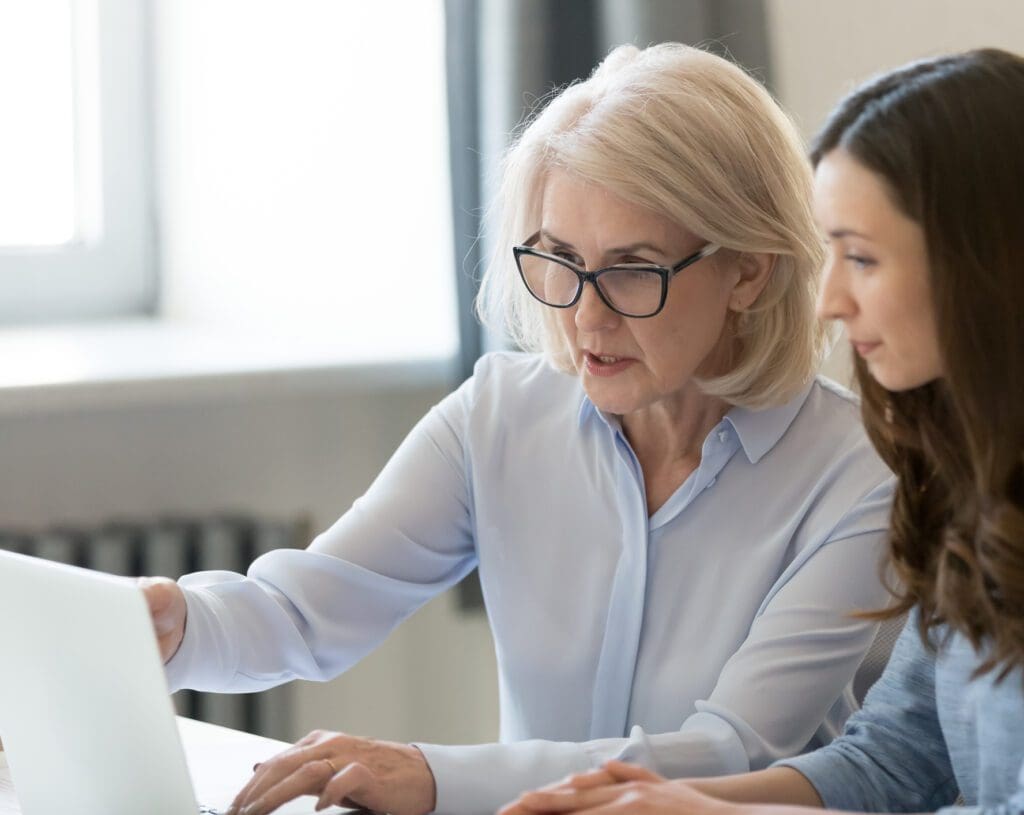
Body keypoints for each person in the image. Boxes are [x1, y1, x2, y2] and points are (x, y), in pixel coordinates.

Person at [142, 43, 893, 815]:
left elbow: (730, 750)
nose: (584, 316)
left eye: (633, 268)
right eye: (560, 259)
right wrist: (179, 622)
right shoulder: (500, 414)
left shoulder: (859, 477)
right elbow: (306, 608)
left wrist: (431, 775)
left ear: (749, 270)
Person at [501, 47, 1024, 815]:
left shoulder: (863, 470)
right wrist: (655, 798)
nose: (829, 301)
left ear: (984, 266)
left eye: (863, 258)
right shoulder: (971, 486)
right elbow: (894, 760)